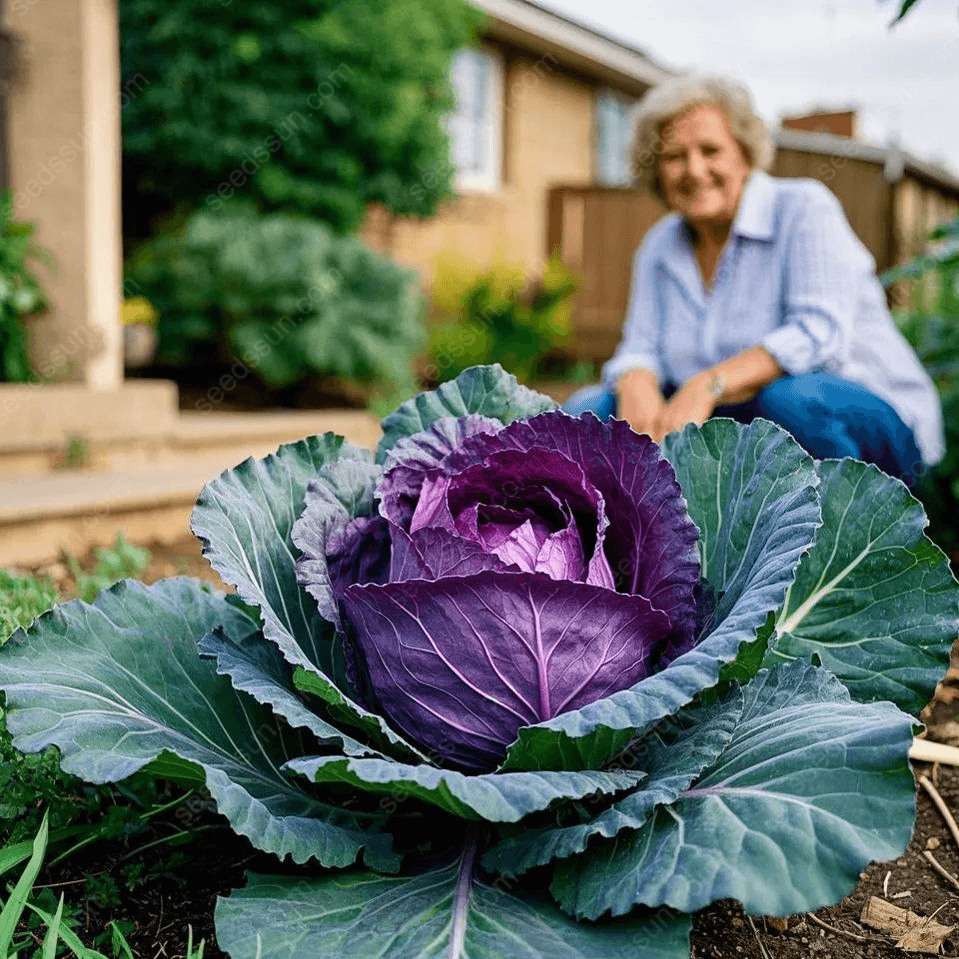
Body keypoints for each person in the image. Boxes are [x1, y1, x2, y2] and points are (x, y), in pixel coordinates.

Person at [564, 75, 943, 484]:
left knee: (792, 400)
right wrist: (636, 379)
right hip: (746, 423)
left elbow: (818, 334)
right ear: (655, 170)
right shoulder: (660, 246)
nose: (694, 170)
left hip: (870, 423)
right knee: (591, 408)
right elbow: (639, 345)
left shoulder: (803, 209)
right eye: (674, 156)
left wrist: (708, 384)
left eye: (711, 150)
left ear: (744, 156)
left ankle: (842, 538)